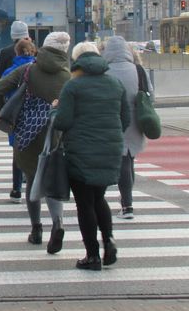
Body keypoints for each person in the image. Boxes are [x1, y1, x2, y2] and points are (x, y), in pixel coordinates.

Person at [0, 32, 71, 254]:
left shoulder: (27, 70)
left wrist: (8, 114)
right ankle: (58, 223)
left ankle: (36, 229)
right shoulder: (68, 77)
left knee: (32, 177)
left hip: (27, 132)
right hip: (56, 133)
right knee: (53, 179)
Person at [53, 41, 129, 270]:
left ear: (77, 60)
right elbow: (125, 119)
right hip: (110, 149)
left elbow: (62, 121)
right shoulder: (115, 83)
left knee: (85, 202)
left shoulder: (73, 86)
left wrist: (55, 109)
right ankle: (109, 239)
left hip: (81, 151)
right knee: (99, 197)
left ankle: (92, 255)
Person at [103, 36, 153, 220]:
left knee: (122, 159)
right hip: (136, 120)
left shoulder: (105, 71)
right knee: (129, 158)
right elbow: (150, 94)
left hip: (112, 119)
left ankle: (127, 205)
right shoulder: (138, 70)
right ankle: (127, 202)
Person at [0, 38, 38, 203]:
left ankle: (16, 189)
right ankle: (35, 187)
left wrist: (4, 109)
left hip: (16, 116)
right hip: (36, 116)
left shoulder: (10, 71)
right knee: (36, 152)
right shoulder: (39, 69)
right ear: (33, 51)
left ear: (16, 52)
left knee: (17, 152)